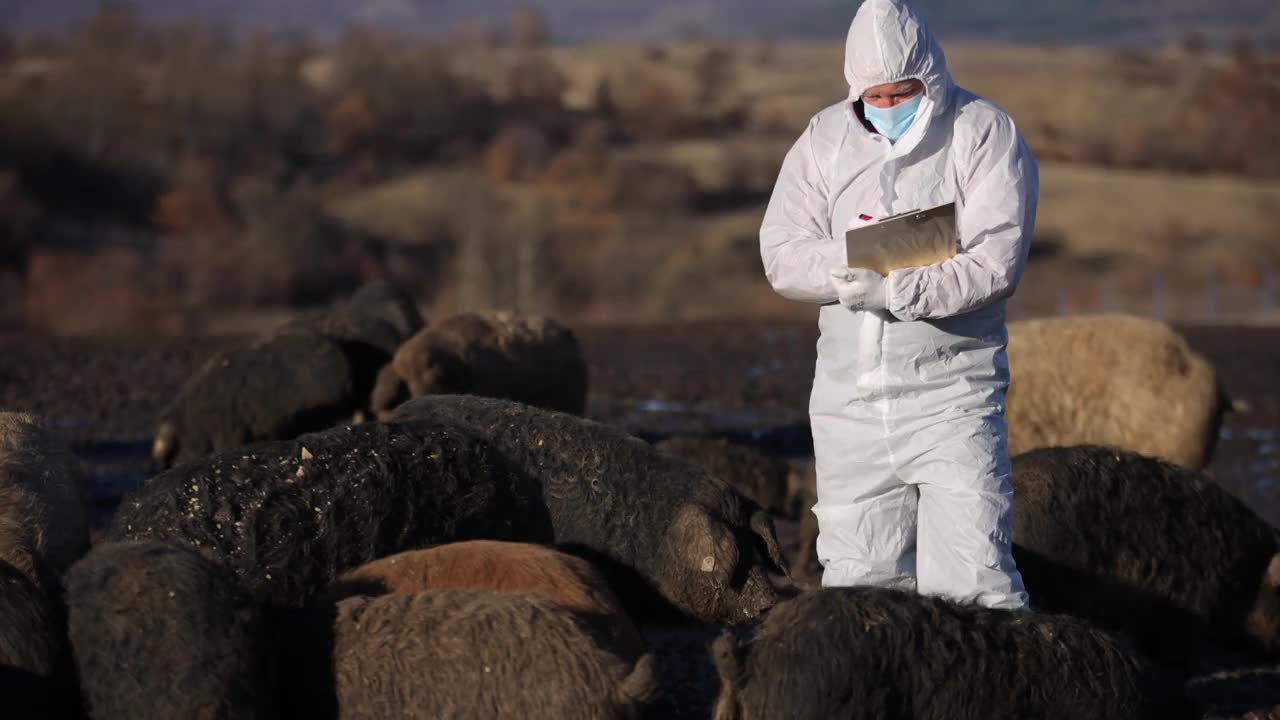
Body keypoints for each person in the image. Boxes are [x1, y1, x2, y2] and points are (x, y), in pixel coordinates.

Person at [759, 0, 1037, 611]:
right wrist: (851, 264)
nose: (887, 107)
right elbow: (781, 253)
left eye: (902, 93)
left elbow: (997, 261)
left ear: (930, 80)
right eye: (874, 97)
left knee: (975, 581)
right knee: (861, 593)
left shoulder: (982, 132)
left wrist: (897, 290)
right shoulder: (825, 139)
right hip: (849, 406)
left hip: (951, 397)